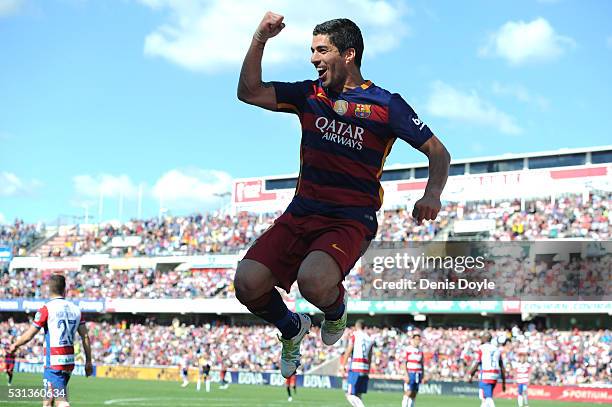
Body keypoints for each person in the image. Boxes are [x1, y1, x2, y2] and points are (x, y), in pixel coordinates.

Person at [235, 11, 450, 379]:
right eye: (312, 50)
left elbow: (438, 151)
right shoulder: (308, 94)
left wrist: (432, 193)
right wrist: (260, 38)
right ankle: (291, 327)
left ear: (348, 54)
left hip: (350, 218)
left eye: (322, 50)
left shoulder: (386, 105)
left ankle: (336, 312)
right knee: (247, 283)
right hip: (301, 213)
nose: (314, 58)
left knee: (313, 280)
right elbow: (249, 92)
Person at [9, 274, 93, 407]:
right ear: (65, 289)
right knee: (48, 401)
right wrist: (88, 361)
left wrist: (15, 345)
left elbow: (30, 335)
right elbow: (85, 336)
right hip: (69, 361)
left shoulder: (46, 309)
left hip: (54, 362)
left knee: (61, 401)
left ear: (49, 289)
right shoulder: (76, 310)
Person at [468, 332, 506, 407]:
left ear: (485, 338)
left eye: (482, 337)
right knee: (484, 398)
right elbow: (502, 367)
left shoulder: (482, 348)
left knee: (487, 397)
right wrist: (503, 383)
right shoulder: (497, 349)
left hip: (486, 375)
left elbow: (477, 363)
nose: (481, 339)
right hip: (495, 375)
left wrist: (470, 375)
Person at [341, 320, 374, 407]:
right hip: (365, 368)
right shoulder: (370, 338)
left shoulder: (355, 335)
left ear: (356, 327)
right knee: (358, 395)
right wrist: (368, 369)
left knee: (350, 394)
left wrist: (342, 365)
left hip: (355, 367)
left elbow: (349, 350)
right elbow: (370, 355)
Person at [403, 333, 425, 407]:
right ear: (412, 340)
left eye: (419, 339)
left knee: (414, 393)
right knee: (408, 391)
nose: (417, 341)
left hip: (418, 373)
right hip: (410, 373)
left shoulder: (420, 350)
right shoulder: (408, 349)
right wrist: (406, 375)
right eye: (416, 339)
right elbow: (404, 363)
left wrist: (422, 375)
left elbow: (422, 363)